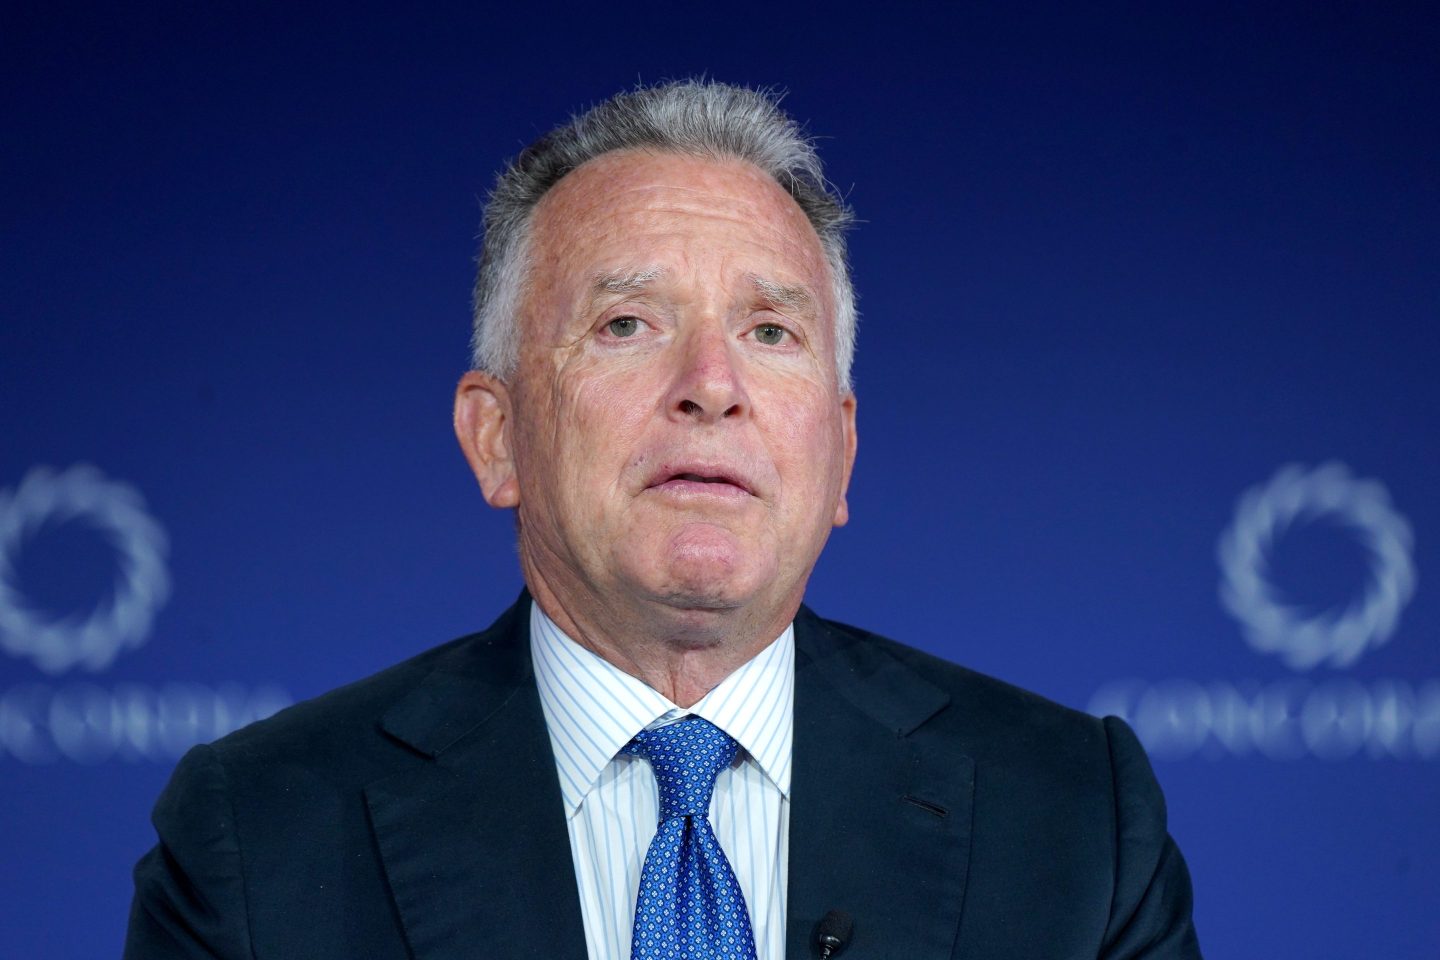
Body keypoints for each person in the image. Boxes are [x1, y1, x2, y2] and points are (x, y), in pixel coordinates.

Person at [124, 80, 1202, 959]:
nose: (711, 385)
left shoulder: (1072, 823)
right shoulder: (260, 839)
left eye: (772, 331)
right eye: (628, 322)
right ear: (495, 436)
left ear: (842, 451)